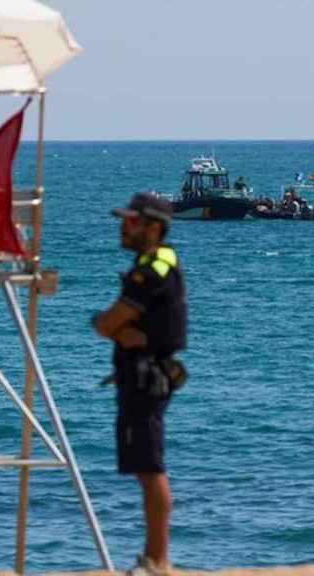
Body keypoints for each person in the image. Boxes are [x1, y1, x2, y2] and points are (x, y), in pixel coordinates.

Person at [92, 193, 188, 576]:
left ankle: (157, 561)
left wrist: (109, 326)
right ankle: (154, 558)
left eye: (130, 221)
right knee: (146, 469)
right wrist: (119, 330)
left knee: (150, 470)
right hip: (145, 375)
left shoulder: (149, 274)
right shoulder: (157, 263)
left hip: (146, 379)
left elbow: (108, 323)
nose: (123, 227)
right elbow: (117, 326)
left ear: (152, 227)